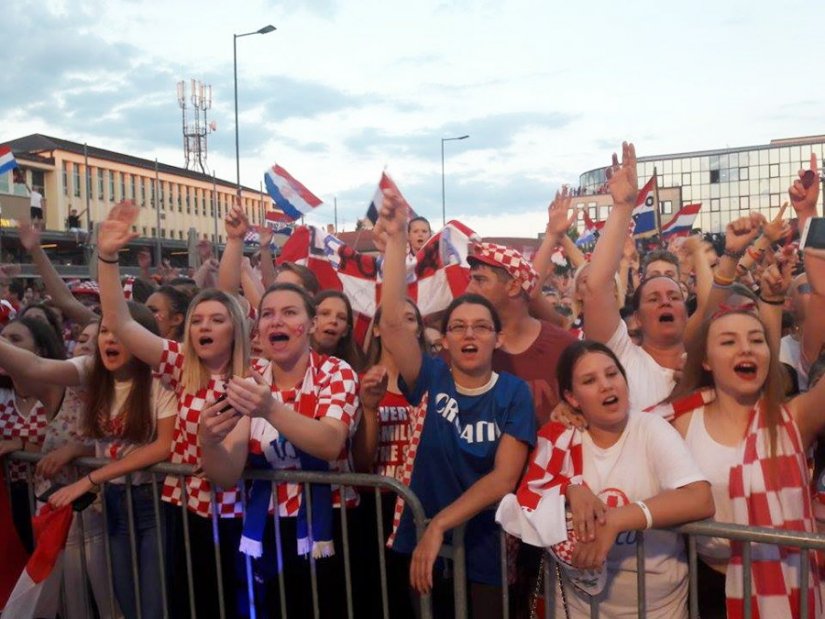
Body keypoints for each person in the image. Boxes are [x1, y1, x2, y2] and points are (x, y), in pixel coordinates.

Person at [376, 187, 536, 618]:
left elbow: (503, 478)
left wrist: (441, 523)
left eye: (482, 327)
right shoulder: (430, 377)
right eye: (459, 327)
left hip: (483, 545)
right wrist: (395, 241)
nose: (470, 335)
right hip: (424, 542)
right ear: (443, 340)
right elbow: (392, 323)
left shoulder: (514, 393)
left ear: (497, 339)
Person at [95, 200, 250, 618]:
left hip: (229, 520)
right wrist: (107, 257)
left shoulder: (250, 382)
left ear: (235, 328)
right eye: (197, 320)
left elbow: (228, 470)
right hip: (177, 510)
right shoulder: (181, 365)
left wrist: (209, 445)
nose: (203, 327)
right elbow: (122, 323)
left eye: (216, 320)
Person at [654, 255, 825, 618]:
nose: (746, 349)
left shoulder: (793, 418)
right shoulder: (679, 423)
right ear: (705, 361)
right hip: (707, 591)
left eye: (757, 340)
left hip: (788, 585)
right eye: (729, 342)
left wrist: (819, 279)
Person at [497, 340, 713, 618]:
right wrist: (568, 489)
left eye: (612, 374)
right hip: (573, 608)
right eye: (590, 380)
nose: (607, 385)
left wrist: (617, 520)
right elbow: (528, 496)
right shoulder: (560, 437)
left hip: (657, 609)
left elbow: (700, 499)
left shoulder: (651, 429)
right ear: (572, 398)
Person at [199, 280, 360, 618]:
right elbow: (226, 474)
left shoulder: (336, 372)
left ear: (311, 324)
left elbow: (330, 443)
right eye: (268, 314)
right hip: (267, 524)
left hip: (330, 524)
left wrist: (270, 408)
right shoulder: (250, 376)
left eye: (290, 313)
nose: (276, 321)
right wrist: (210, 442)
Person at [351, 299, 428, 619]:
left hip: (421, 510)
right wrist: (369, 408)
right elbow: (360, 464)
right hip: (374, 510)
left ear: (419, 330)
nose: (402, 326)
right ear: (378, 329)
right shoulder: (357, 381)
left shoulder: (435, 384)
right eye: (394, 319)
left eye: (410, 318)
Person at [465, 240, 576, 425]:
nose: (469, 289)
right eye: (471, 279)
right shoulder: (463, 348)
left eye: (480, 280)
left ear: (514, 286)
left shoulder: (566, 347)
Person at [0, 316, 66, 552]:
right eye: (3, 338)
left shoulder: (56, 391)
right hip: (8, 498)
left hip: (50, 498)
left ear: (40, 349)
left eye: (15, 339)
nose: (6, 346)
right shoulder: (4, 394)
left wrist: (22, 445)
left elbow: (64, 447)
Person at [312, 289, 365, 371]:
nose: (333, 320)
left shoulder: (349, 372)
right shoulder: (289, 362)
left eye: (341, 317)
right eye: (325, 313)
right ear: (310, 320)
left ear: (346, 331)